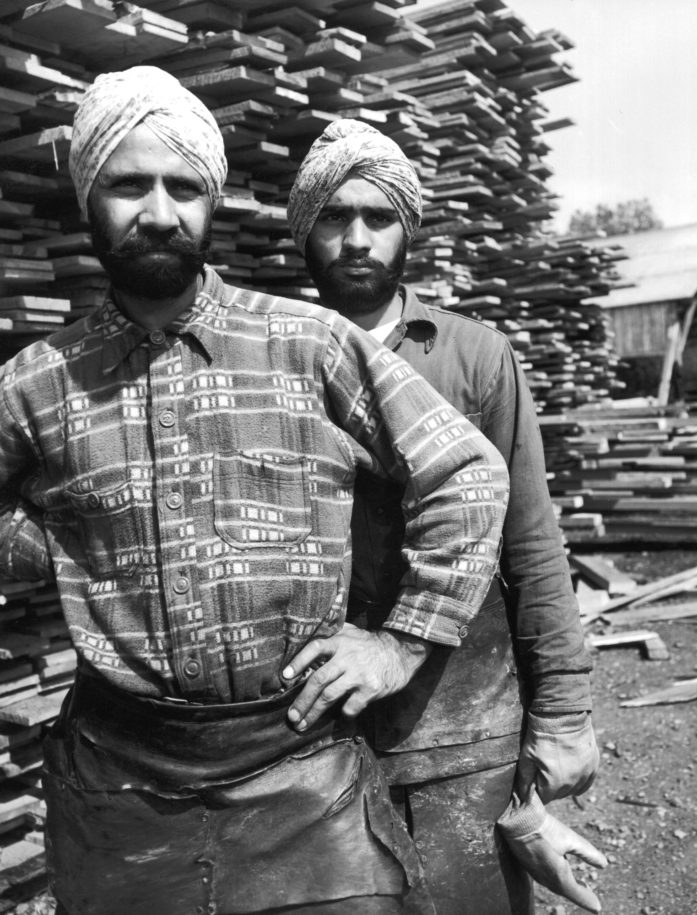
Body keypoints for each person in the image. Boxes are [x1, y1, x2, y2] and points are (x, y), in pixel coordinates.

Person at [0, 69, 512, 915]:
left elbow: (464, 470)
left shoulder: (306, 344)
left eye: (185, 187)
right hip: (120, 788)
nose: (160, 212)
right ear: (89, 193)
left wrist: (402, 642)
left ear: (214, 201)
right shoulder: (36, 384)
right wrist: (62, 537)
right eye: (130, 184)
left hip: (299, 770)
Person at [287, 120, 603, 914]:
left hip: (465, 728)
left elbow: (530, 541)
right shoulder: (273, 355)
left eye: (379, 216)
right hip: (312, 737)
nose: (357, 238)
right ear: (305, 229)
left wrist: (563, 711)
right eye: (334, 216)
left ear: (408, 228)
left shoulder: (472, 355)